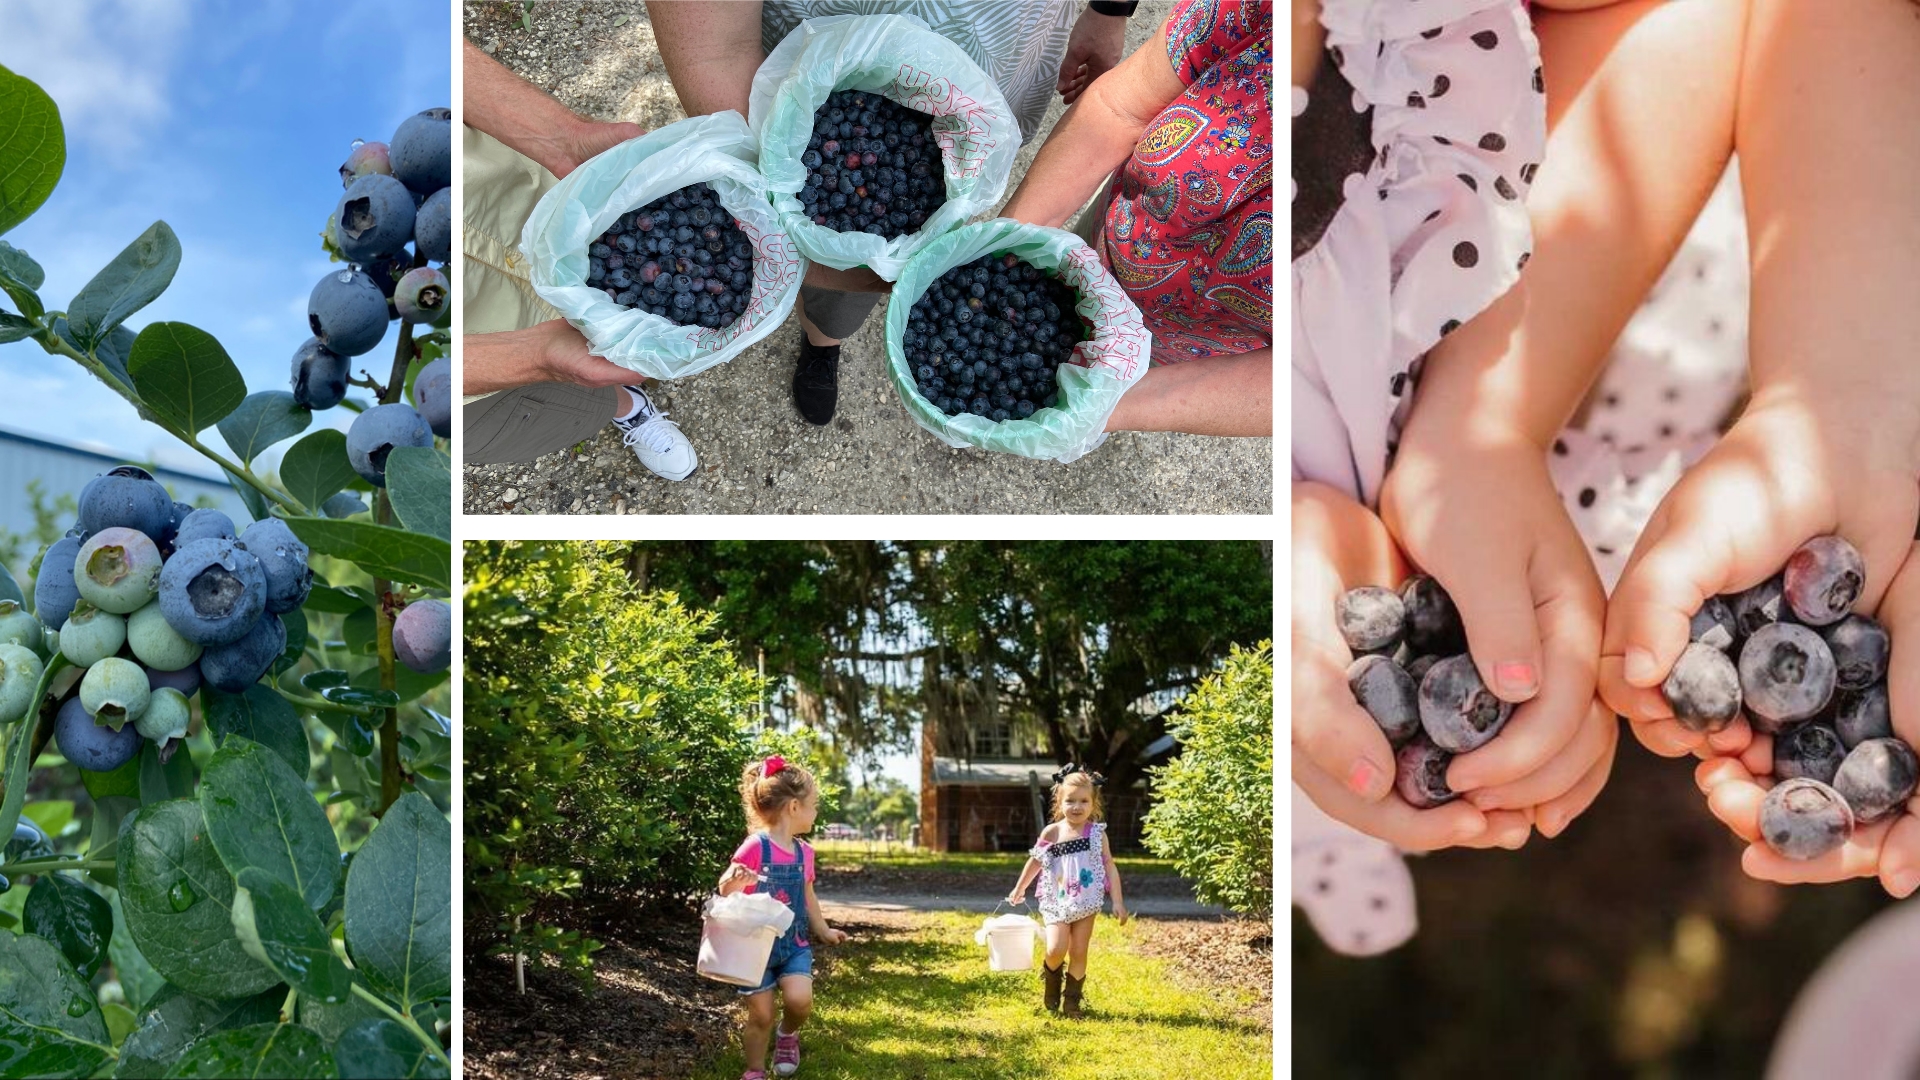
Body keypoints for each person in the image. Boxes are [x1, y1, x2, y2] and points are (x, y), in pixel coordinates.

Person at [650, 0, 1134, 426]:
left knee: (882, 261)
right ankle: (824, 338)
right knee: (836, 268)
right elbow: (712, 49)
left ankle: (828, 332)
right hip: (813, 65)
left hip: (1000, 62)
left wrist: (1110, 10)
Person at [999, 0, 1272, 437]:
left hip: (1194, 350)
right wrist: (1003, 244)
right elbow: (1120, 107)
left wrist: (1111, 407)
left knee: (1067, 393)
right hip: (1109, 239)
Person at [460, 39, 698, 481]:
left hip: (526, 202)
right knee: (576, 398)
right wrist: (536, 359)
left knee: (622, 295)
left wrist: (561, 140)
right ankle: (628, 407)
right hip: (472, 384)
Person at [716, 756, 850, 1080]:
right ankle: (754, 1070)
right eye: (814, 804)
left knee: (799, 1000)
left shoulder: (805, 853)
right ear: (793, 807)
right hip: (755, 948)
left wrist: (823, 929)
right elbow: (724, 889)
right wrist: (735, 880)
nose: (816, 811)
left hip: (794, 945)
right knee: (760, 1016)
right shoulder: (754, 847)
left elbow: (808, 896)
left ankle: (788, 1034)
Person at [1004, 765, 1129, 1018]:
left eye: (1084, 801)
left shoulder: (1097, 834)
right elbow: (1036, 861)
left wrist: (1117, 901)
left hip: (1086, 899)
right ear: (1059, 801)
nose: (1077, 806)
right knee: (1055, 949)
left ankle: (1071, 1003)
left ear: (1093, 804)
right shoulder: (1052, 832)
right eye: (1070, 800)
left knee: (1079, 950)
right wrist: (1019, 888)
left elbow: (1109, 865)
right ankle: (1051, 981)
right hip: (1056, 899)